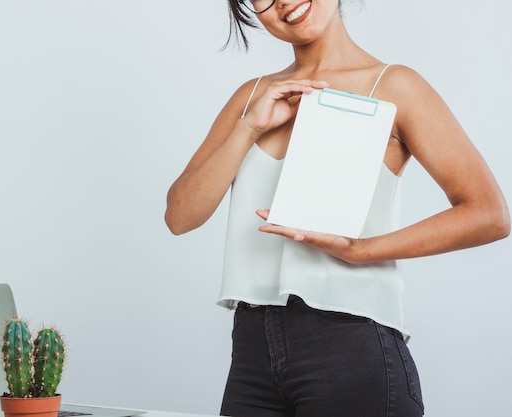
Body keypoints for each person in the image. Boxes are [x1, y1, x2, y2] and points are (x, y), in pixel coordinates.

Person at [165, 1, 510, 416]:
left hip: (351, 344)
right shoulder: (252, 96)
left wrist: (360, 250)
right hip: (253, 349)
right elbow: (180, 217)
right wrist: (249, 126)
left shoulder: (394, 85)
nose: (284, 3)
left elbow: (488, 214)